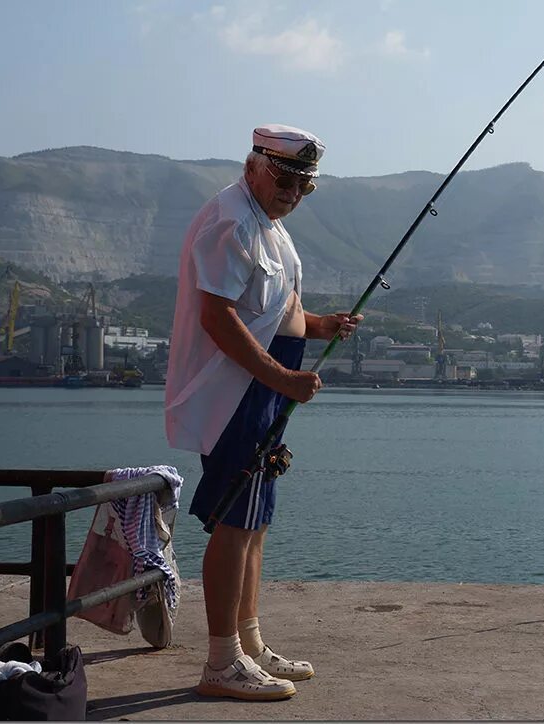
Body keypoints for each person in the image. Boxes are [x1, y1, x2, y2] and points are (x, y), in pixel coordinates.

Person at [164, 124, 361, 701]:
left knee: (256, 519)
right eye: (285, 178)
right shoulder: (231, 221)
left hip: (262, 393)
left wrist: (319, 325)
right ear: (254, 165)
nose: (294, 192)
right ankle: (221, 660)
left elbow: (278, 302)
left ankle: (248, 642)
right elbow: (218, 317)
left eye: (305, 185)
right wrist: (280, 376)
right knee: (234, 520)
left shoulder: (267, 225)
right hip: (238, 393)